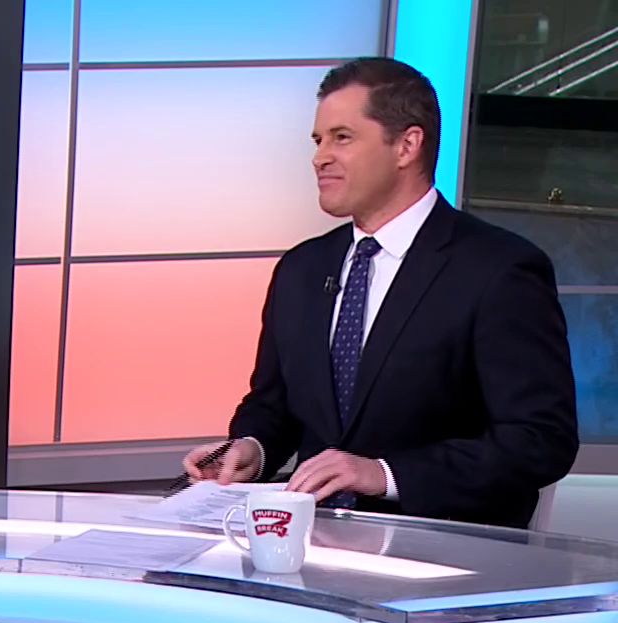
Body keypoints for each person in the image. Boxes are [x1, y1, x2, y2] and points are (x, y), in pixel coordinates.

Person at [185, 58, 576, 529]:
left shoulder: (499, 270)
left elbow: (540, 439)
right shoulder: (302, 269)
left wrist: (385, 474)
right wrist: (253, 448)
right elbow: (274, 405)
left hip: (441, 550)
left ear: (407, 145)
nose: (319, 157)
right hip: (307, 542)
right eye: (318, 140)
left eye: (342, 137)